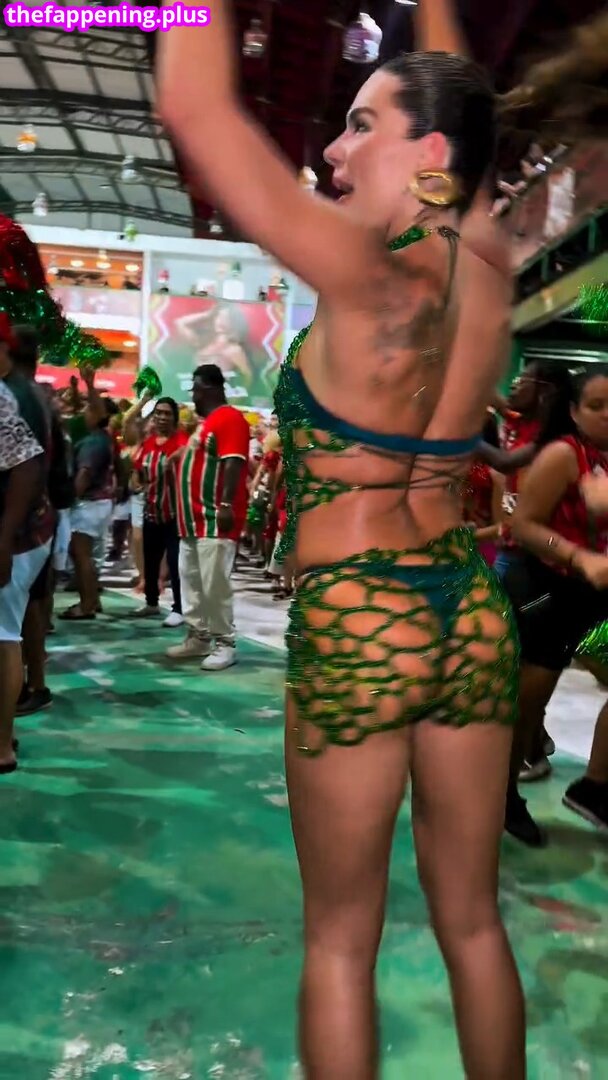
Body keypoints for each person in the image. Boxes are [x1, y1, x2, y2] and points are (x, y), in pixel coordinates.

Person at [159, 0, 607, 1074]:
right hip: (469, 618)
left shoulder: (363, 270)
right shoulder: (488, 262)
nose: (331, 148)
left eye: (361, 125)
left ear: (429, 156)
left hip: (362, 618)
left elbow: (193, 102)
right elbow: (455, 100)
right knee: (473, 925)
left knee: (339, 941)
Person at [508, 367, 608, 838]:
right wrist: (577, 556)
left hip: (597, 596)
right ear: (573, 411)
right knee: (527, 708)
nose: (607, 416)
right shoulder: (565, 455)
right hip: (549, 589)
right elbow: (524, 525)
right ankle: (502, 797)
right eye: (596, 406)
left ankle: (595, 786)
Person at [168, 364, 249, 670]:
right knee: (192, 583)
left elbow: (233, 462)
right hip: (192, 521)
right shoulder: (208, 423)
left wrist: (226, 504)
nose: (194, 397)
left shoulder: (230, 418)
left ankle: (225, 643)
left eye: (197, 390)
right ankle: (199, 637)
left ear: (210, 389)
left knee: (215, 586)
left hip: (214, 519)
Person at [0, 331, 49, 773]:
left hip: (17, 535)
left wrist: (4, 539)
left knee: (3, 634)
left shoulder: (10, 395)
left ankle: (2, 744)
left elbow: (27, 466)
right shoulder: (22, 391)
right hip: (24, 530)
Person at [131, 397, 188, 627]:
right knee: (150, 560)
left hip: (174, 514)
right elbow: (138, 470)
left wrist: (176, 457)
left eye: (167, 413)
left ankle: (179, 608)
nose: (162, 417)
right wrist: (137, 482)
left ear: (175, 418)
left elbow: (188, 454)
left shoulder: (181, 441)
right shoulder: (148, 443)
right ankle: (152, 602)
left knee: (175, 563)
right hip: (151, 510)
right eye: (159, 413)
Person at [60, 399, 115, 620]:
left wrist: (69, 498)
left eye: (88, 409)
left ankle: (87, 605)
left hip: (88, 503)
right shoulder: (104, 439)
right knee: (85, 555)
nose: (84, 413)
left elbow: (85, 473)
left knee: (81, 554)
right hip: (99, 502)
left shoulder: (93, 442)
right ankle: (92, 598)